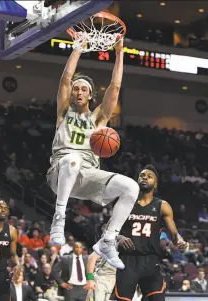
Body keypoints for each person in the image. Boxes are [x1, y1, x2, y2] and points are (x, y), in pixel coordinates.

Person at [46, 38, 139, 269]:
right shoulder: (63, 112)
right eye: (76, 89)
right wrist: (79, 46)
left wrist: (119, 52)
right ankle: (59, 218)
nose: (78, 91)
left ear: (90, 95)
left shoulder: (98, 119)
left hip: (87, 175)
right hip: (60, 172)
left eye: (83, 89)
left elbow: (115, 87)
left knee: (131, 188)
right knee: (73, 159)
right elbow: (65, 78)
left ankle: (108, 240)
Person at [114, 165, 189, 301]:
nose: (145, 178)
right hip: (127, 260)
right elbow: (108, 230)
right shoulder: (126, 202)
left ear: (155, 184)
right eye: (142, 175)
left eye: (149, 177)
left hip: (151, 261)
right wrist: (120, 238)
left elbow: (174, 234)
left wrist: (180, 242)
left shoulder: (162, 205)